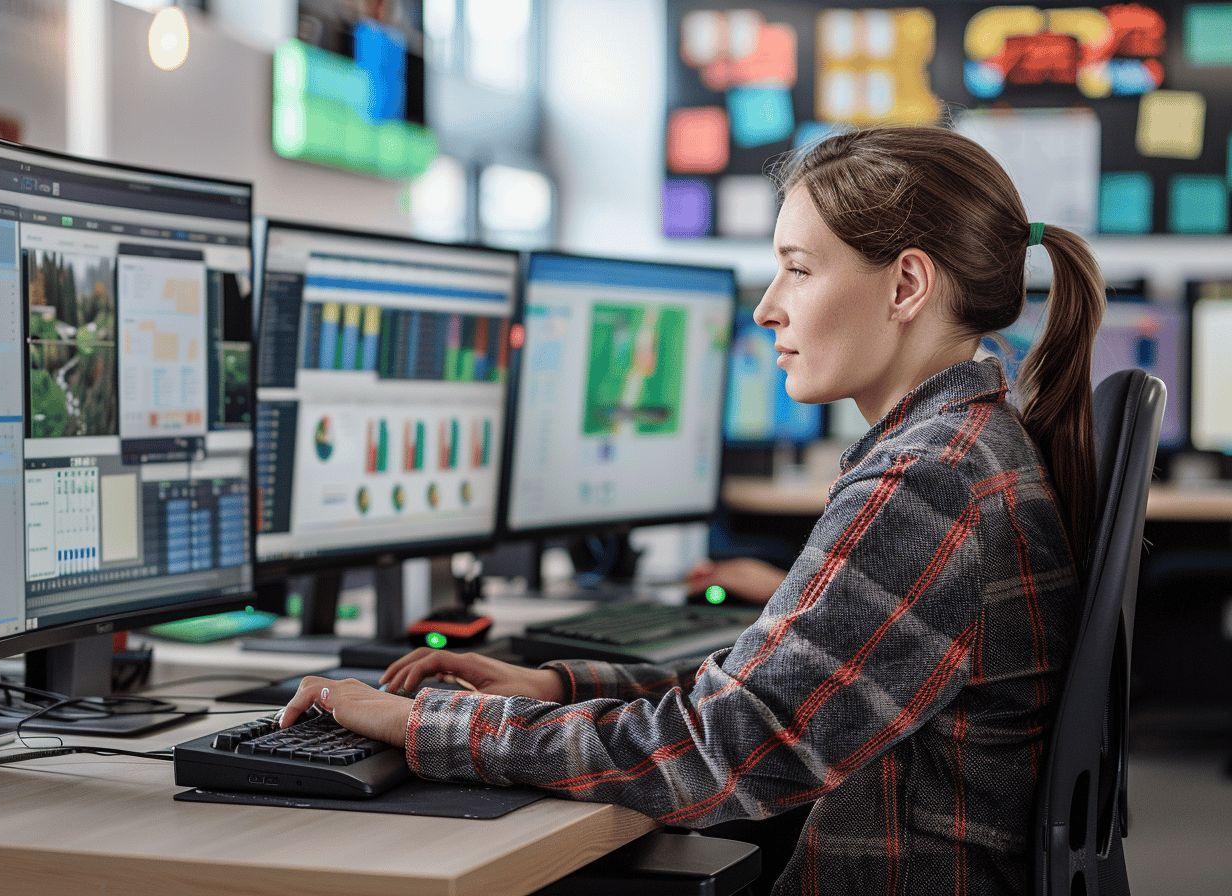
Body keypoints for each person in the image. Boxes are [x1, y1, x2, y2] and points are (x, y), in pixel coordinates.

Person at [280, 125, 1103, 895]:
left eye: (800, 268)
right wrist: (555, 685)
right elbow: (774, 689)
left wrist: (435, 727)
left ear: (907, 285)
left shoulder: (925, 483)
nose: (767, 306)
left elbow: (724, 751)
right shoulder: (968, 447)